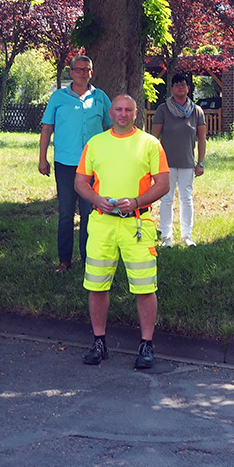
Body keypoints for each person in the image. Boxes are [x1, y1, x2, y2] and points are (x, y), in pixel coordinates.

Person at [75, 95, 170, 369]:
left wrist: (138, 202)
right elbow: (81, 181)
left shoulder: (150, 144)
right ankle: (98, 341)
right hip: (103, 222)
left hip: (137, 223)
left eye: (128, 110)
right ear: (111, 112)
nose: (123, 114)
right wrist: (95, 199)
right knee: (96, 284)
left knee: (144, 286)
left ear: (136, 113)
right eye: (118, 109)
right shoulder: (96, 143)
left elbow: (163, 183)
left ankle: (146, 345)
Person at [38, 55, 112, 273]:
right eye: (78, 69)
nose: (82, 73)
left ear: (92, 72)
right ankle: (65, 260)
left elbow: (110, 129)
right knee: (66, 213)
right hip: (66, 164)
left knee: (90, 213)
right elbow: (46, 129)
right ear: (70, 72)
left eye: (86, 69)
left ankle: (89, 259)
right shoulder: (58, 98)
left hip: (93, 166)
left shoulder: (100, 97)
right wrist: (42, 158)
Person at [151, 72, 207, 247]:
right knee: (166, 199)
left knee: (186, 198)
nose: (180, 87)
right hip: (165, 163)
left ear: (188, 88)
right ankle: (166, 236)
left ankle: (187, 236)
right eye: (177, 85)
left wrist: (201, 162)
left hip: (187, 163)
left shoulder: (197, 111)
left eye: (184, 84)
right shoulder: (163, 109)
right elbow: (154, 138)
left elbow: (202, 138)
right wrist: (152, 162)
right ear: (172, 89)